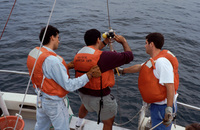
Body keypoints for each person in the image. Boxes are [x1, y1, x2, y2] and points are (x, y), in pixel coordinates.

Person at [26, 25, 101, 130]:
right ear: (52, 37)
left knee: (41, 127)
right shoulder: (53, 60)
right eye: (58, 38)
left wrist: (66, 66)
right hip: (53, 103)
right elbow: (69, 85)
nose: (59, 41)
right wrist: (89, 75)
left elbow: (44, 72)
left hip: (41, 99)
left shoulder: (34, 53)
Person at [73, 29, 133, 130]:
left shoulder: (79, 53)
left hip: (84, 94)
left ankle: (78, 123)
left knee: (85, 105)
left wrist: (105, 42)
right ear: (98, 39)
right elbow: (129, 56)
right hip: (101, 97)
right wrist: (123, 41)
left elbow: (94, 50)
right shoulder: (104, 57)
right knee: (108, 122)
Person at [119, 32, 179, 130]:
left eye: (146, 43)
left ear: (151, 44)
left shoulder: (161, 62)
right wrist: (122, 71)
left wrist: (168, 111)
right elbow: (140, 67)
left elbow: (170, 86)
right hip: (158, 105)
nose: (145, 45)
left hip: (162, 107)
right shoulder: (155, 60)